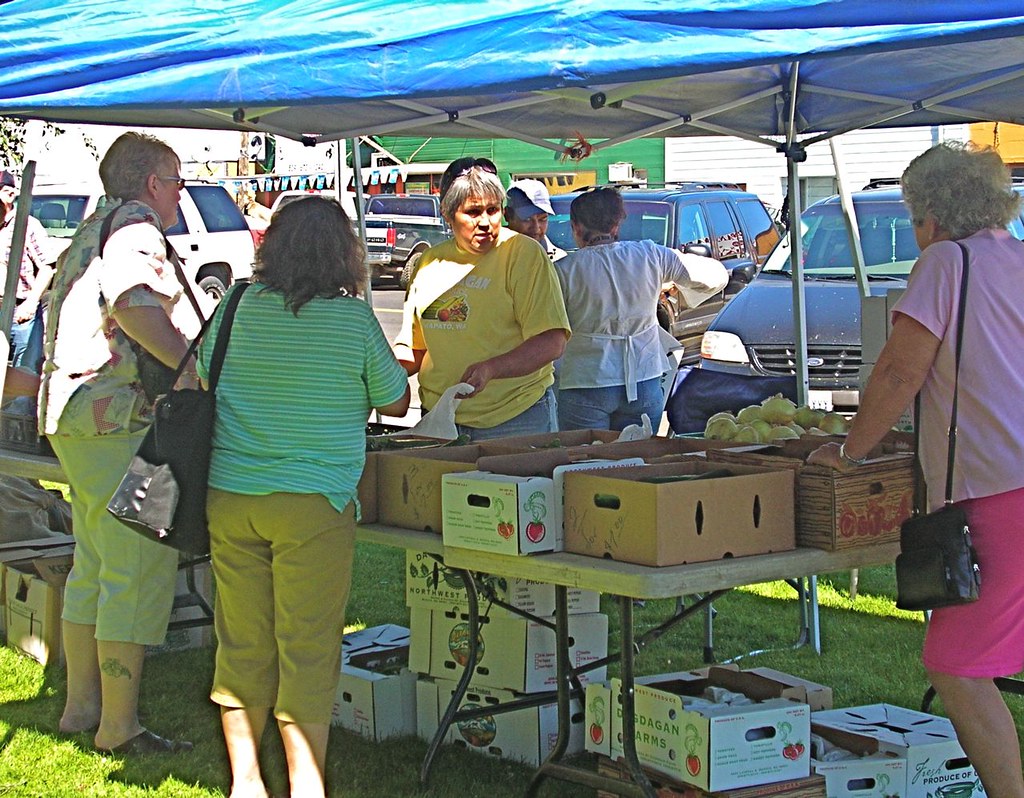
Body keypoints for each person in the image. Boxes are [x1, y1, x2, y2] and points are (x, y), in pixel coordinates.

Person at [807, 142, 1024, 798]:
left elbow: (902, 370)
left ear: (931, 214)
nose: (912, 228)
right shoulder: (1017, 258)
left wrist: (848, 451)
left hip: (997, 488)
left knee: (954, 665)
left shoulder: (945, 262)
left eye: (911, 215)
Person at [200, 196, 409, 798]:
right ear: (345, 253)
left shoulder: (236, 304)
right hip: (314, 500)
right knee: (308, 645)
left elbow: (208, 377)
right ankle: (306, 784)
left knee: (242, 640)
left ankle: (244, 782)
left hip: (232, 492)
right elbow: (394, 401)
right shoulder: (353, 320)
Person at [39, 132, 204, 753]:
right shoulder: (134, 223)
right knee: (134, 567)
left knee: (96, 564)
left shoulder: (92, 226)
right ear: (152, 185)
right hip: (123, 420)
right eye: (178, 180)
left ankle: (82, 709)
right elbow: (135, 303)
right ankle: (119, 726)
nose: (181, 193)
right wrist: (189, 370)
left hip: (79, 418)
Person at [394, 157, 570, 441]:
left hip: (515, 417)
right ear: (448, 214)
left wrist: (493, 368)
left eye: (493, 210)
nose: (486, 222)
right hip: (440, 418)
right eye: (473, 212)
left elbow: (552, 341)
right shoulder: (428, 262)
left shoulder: (523, 254)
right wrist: (376, 375)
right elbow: (414, 349)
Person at [553, 187, 727, 431]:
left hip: (586, 379)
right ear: (616, 225)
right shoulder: (650, 255)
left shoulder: (563, 270)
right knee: (638, 460)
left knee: (585, 460)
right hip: (644, 377)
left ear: (576, 227)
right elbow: (716, 275)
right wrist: (678, 289)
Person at [1, 169, 54, 373]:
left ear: (10, 194)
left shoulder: (28, 226)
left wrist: (31, 303)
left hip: (20, 311)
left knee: (23, 371)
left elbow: (47, 267)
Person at [505, 178, 565, 260]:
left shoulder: (560, 260)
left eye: (542, 219)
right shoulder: (490, 256)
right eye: (527, 219)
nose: (536, 228)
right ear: (507, 215)